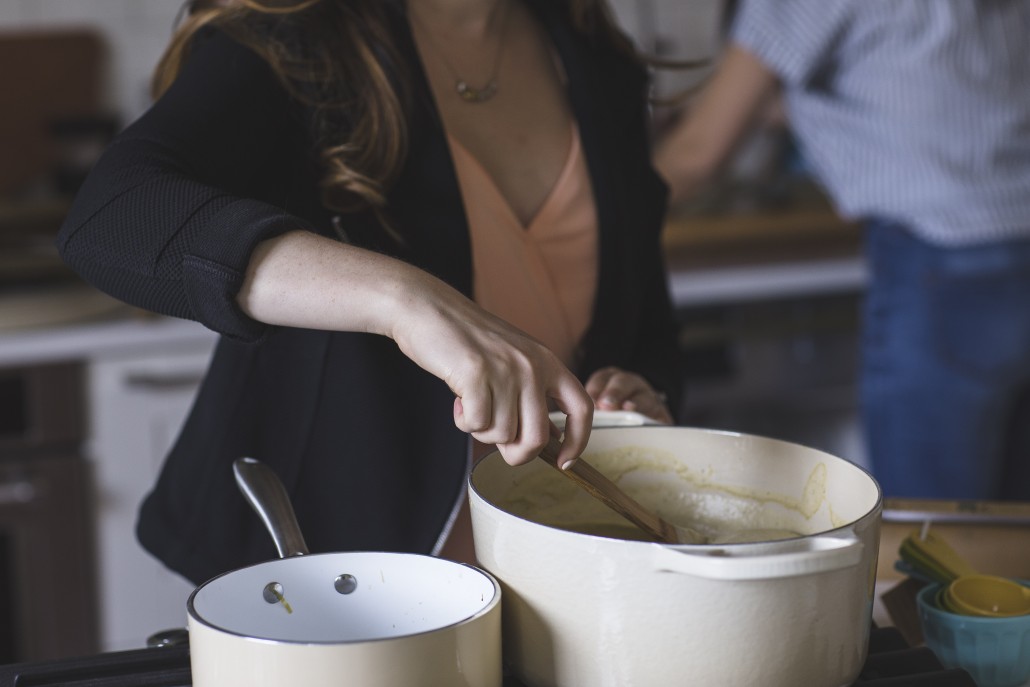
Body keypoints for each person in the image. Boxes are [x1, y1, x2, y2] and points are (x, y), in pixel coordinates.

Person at [56, 0, 683, 584]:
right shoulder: (298, 32)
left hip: (553, 568)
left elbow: (648, 331)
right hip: (326, 575)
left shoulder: (595, 57)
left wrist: (637, 396)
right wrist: (401, 299)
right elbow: (113, 217)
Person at [654, 0, 1030, 500]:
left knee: (928, 526)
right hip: (1011, 236)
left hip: (939, 261)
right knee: (1011, 529)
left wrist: (594, 219)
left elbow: (699, 151)